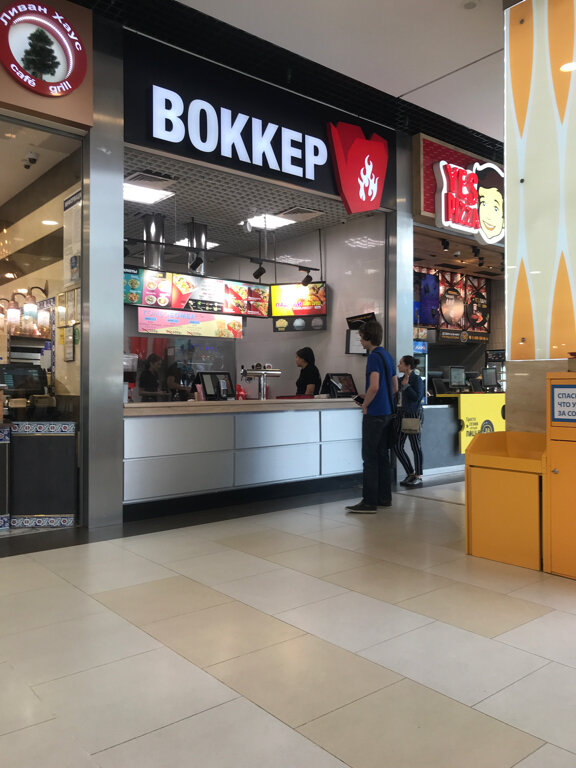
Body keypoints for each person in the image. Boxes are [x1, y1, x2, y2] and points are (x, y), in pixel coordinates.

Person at [346, 320, 397, 513]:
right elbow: (395, 387)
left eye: (361, 337)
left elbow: (374, 386)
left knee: (369, 458)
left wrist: (365, 404)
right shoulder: (388, 356)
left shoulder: (374, 357)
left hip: (374, 414)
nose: (360, 340)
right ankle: (385, 498)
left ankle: (369, 502)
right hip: (387, 413)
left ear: (368, 337)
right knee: (383, 456)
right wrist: (377, 397)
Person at [393, 355, 425, 488]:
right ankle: (410, 473)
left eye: (401, 363)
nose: (398, 365)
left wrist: (406, 386)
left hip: (413, 414)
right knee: (397, 446)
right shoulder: (399, 380)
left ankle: (418, 475)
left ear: (408, 366)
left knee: (415, 446)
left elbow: (417, 398)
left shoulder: (416, 379)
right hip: (401, 414)